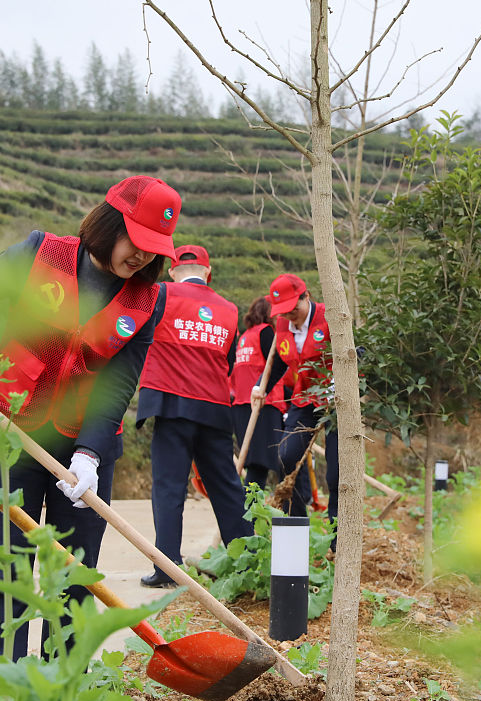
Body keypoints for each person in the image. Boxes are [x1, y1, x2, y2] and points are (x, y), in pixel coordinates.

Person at [0, 176, 179, 659]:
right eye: (138, 242)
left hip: (85, 451)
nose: (144, 258)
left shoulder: (149, 300)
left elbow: (118, 382)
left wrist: (89, 454)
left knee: (73, 583)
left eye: (155, 250)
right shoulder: (38, 253)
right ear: (109, 223)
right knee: (5, 577)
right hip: (14, 436)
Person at [135, 244, 252, 587]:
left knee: (169, 487)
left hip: (172, 406)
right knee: (227, 488)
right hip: (215, 408)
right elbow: (229, 360)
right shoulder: (230, 310)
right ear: (208, 272)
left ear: (172, 270)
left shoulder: (160, 295)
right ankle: (246, 563)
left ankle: (168, 567)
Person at [252, 273, 337, 527]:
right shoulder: (282, 326)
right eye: (283, 311)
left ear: (306, 296)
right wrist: (261, 386)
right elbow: (278, 362)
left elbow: (357, 351)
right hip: (305, 398)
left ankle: (338, 538)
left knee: (336, 474)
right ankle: (298, 523)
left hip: (336, 401)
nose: (290, 316)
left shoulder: (330, 316)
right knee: (286, 456)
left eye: (293, 309)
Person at [231, 296, 287, 491]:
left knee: (259, 462)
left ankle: (255, 509)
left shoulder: (245, 336)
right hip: (263, 404)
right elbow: (277, 365)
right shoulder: (266, 333)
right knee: (267, 462)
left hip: (242, 405)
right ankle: (257, 512)